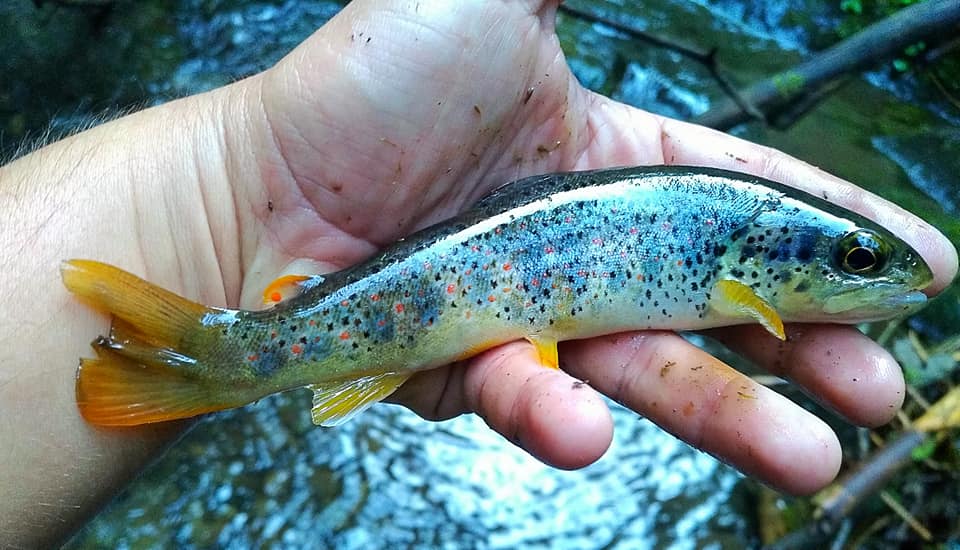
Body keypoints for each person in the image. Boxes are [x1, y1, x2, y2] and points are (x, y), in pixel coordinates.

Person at [0, 1, 955, 547]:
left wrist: (227, 188)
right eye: (857, 263)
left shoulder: (752, 269)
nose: (872, 279)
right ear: (767, 269)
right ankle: (224, 358)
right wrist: (245, 175)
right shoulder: (746, 282)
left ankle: (223, 357)